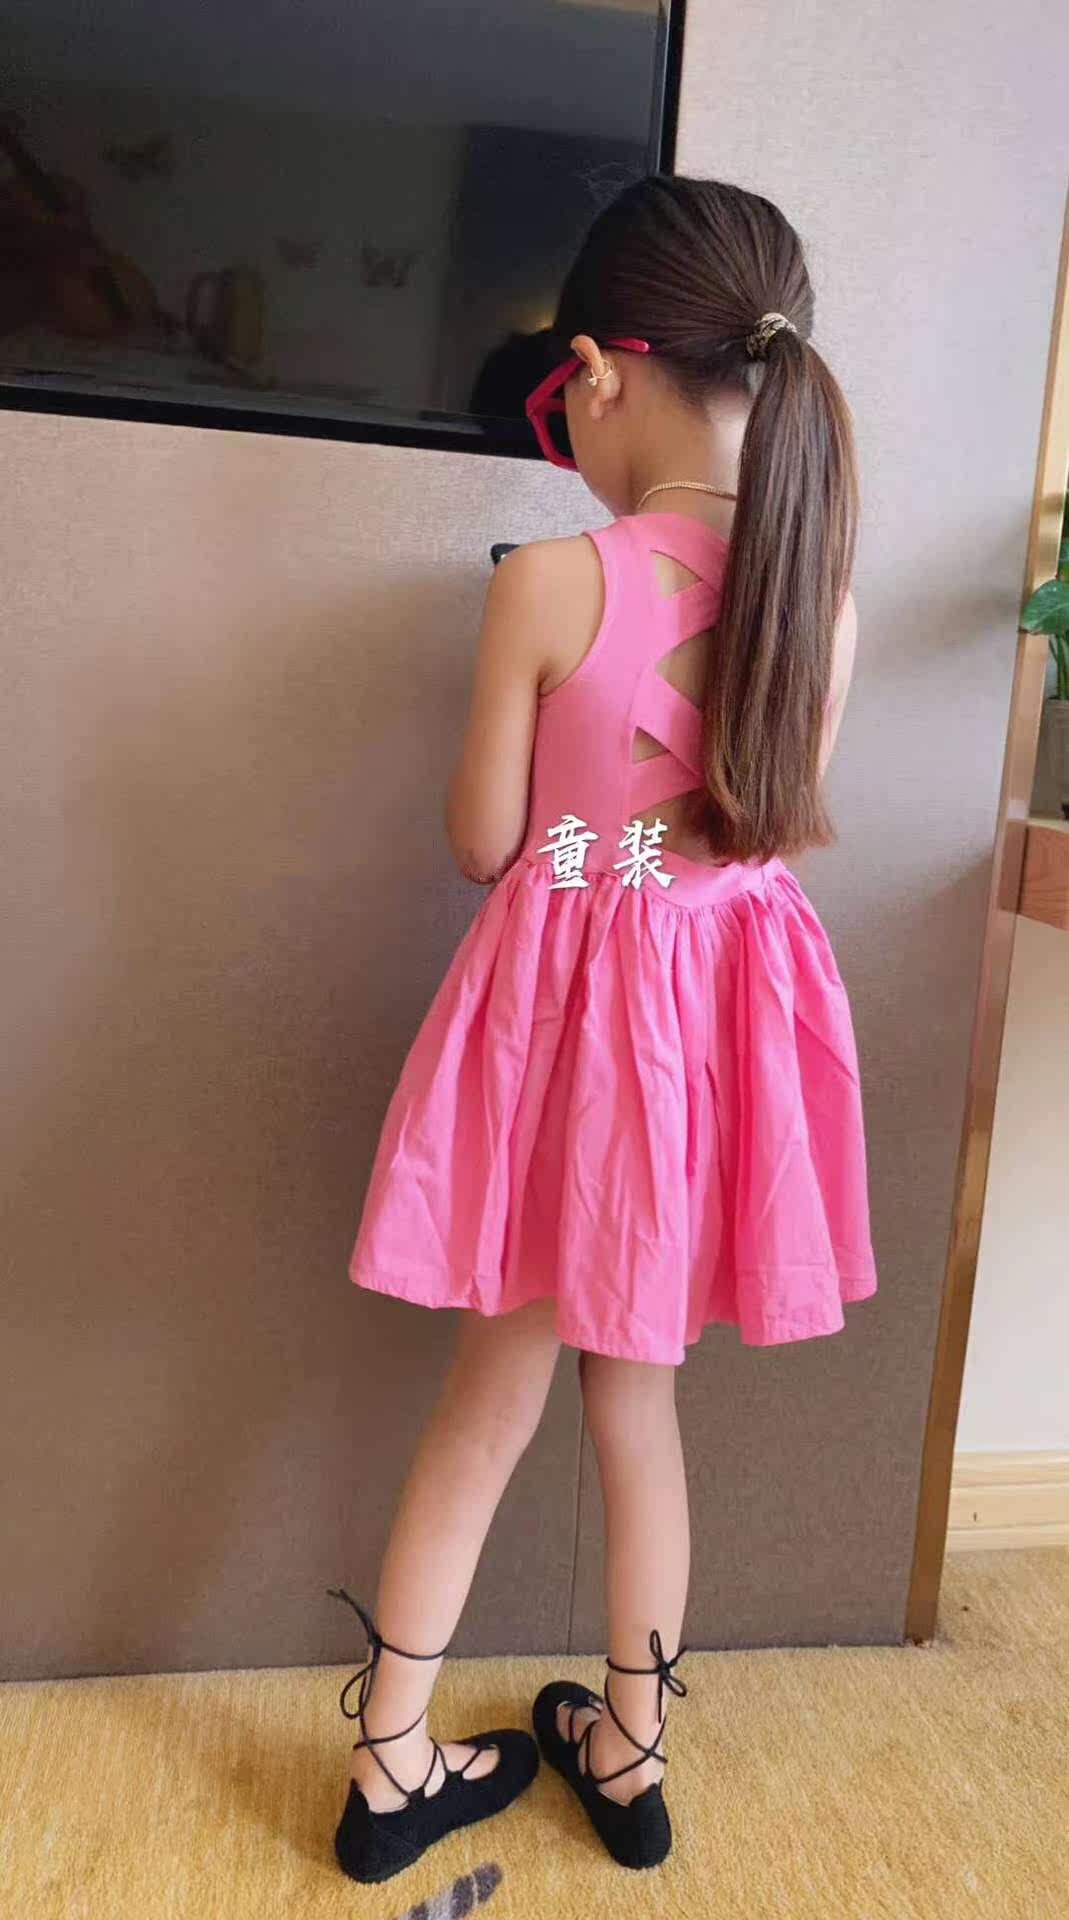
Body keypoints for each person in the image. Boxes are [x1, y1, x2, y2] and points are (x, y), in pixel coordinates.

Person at [328, 173, 878, 1884]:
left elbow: (489, 844)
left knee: (485, 1403)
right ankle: (630, 1763)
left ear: (591, 371)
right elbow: (754, 849)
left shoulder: (553, 582)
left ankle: (392, 1766)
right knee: (636, 1413)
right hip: (705, 1064)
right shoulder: (820, 601)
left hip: (559, 1057)